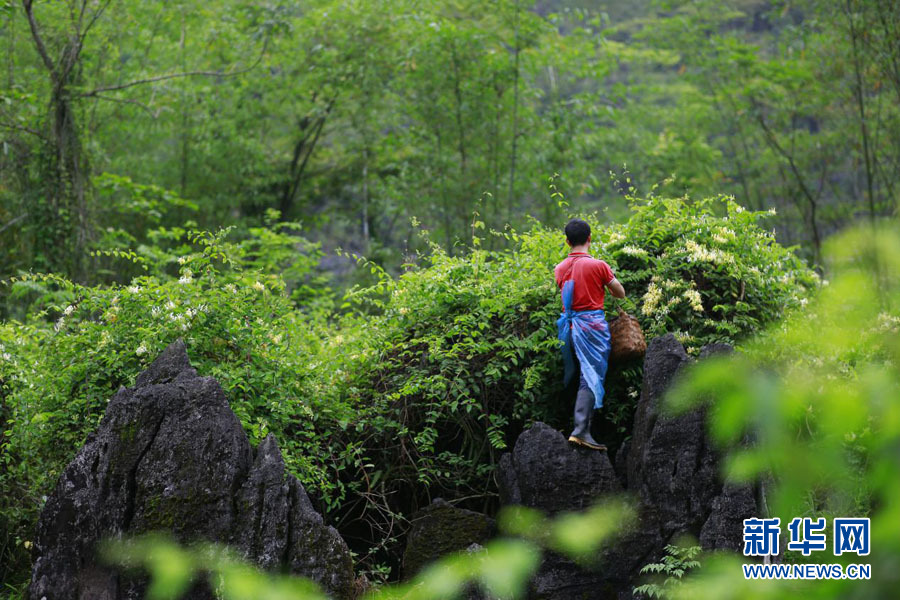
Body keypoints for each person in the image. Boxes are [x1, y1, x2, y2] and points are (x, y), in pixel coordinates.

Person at [554, 218, 626, 451]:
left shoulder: (560, 268)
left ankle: (579, 427)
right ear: (590, 238)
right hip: (592, 327)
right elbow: (620, 293)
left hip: (570, 328)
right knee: (591, 375)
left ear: (567, 241)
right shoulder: (598, 265)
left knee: (579, 374)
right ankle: (581, 430)